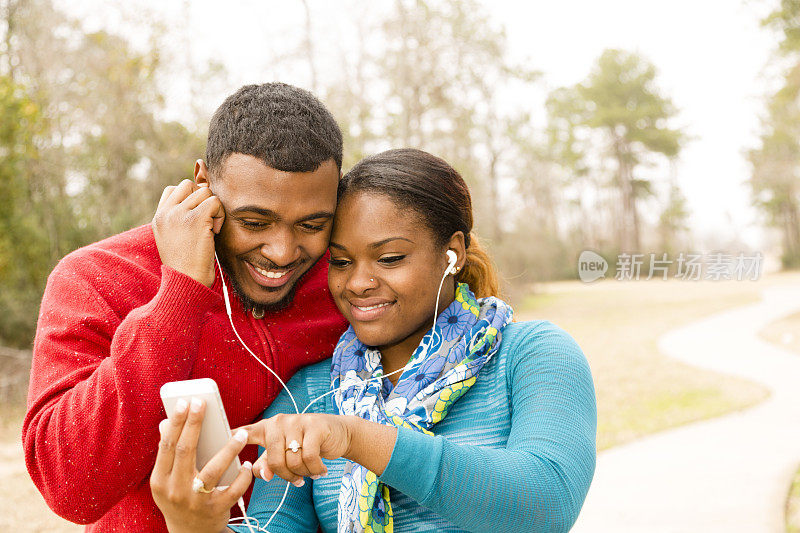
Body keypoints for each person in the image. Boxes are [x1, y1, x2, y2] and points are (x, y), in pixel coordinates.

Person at [152, 148, 597, 532]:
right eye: (342, 261)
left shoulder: (530, 355)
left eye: (389, 258)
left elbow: (546, 504)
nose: (359, 282)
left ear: (453, 253)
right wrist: (198, 526)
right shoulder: (309, 392)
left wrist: (354, 437)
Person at [22, 83, 349, 532]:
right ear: (203, 184)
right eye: (253, 222)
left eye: (312, 225)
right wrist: (179, 294)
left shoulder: (346, 278)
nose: (281, 251)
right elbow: (70, 487)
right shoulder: (96, 277)